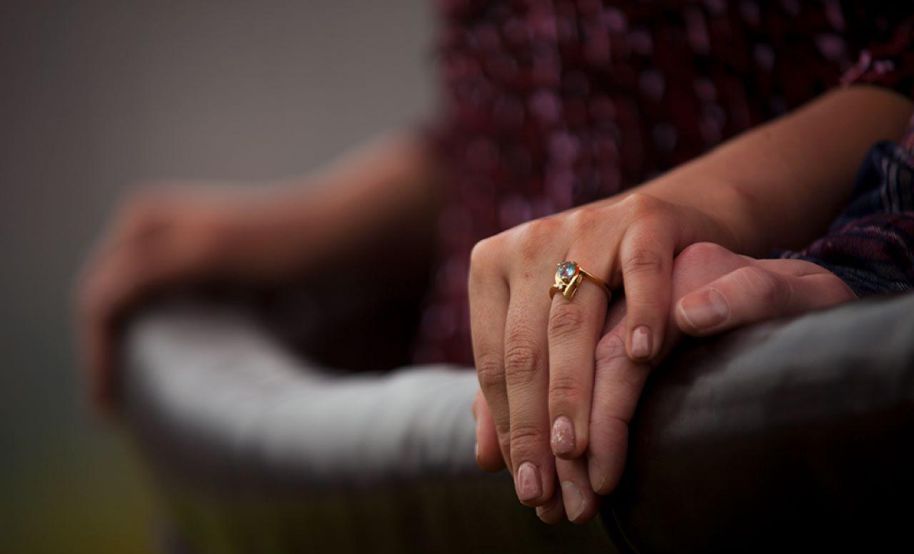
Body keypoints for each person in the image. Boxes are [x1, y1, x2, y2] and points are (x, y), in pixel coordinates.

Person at [77, 2, 914, 526]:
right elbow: (537, 95)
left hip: (762, 437)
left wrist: (727, 205)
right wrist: (316, 219)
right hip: (462, 491)